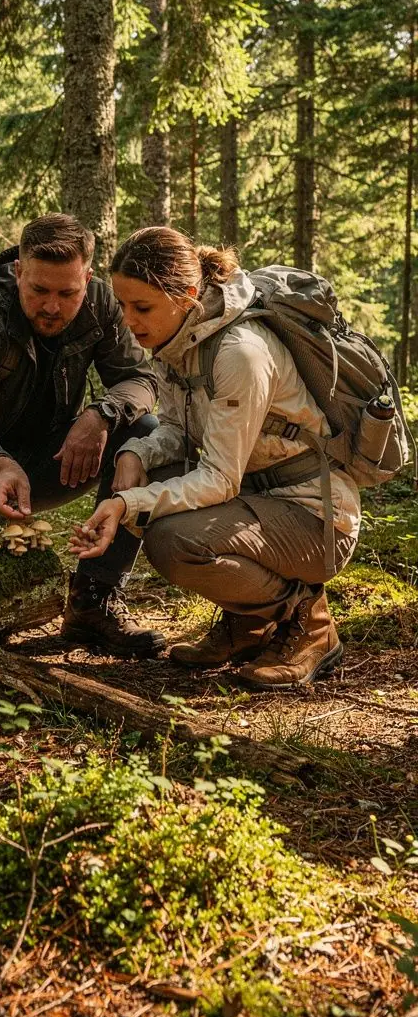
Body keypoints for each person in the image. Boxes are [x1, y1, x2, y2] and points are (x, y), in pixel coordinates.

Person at [69, 226, 361, 690]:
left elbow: (220, 479)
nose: (128, 320)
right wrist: (134, 452)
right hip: (256, 502)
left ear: (187, 295)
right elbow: (176, 431)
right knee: (154, 471)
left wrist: (127, 504)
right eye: (123, 306)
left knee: (172, 541)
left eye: (141, 307)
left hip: (312, 516)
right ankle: (248, 624)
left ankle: (309, 620)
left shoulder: (239, 352)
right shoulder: (176, 343)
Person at [0, 213, 164, 656]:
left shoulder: (103, 304)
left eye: (67, 293)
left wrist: (101, 414)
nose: (52, 306)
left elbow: (139, 379)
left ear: (87, 278)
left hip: (50, 457)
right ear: (18, 271)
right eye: (39, 291)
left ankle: (94, 602)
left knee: (144, 436)